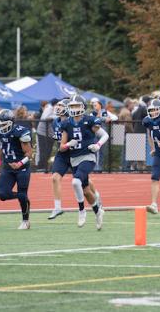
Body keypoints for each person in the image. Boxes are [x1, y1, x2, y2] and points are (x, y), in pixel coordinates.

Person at [60, 94, 107, 229]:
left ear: (83, 107)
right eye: (72, 106)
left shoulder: (89, 120)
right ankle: (98, 211)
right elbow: (61, 148)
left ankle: (81, 211)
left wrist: (97, 145)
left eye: (76, 106)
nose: (74, 109)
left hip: (88, 157)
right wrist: (69, 144)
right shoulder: (66, 123)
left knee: (75, 182)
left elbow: (105, 135)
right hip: (74, 159)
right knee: (86, 191)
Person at [0, 109, 33, 229]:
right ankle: (23, 197)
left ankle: (25, 221)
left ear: (11, 123)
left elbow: (29, 153)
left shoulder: (20, 132)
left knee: (22, 194)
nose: (2, 128)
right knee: (3, 194)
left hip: (22, 167)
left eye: (4, 125)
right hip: (7, 167)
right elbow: (2, 146)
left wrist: (20, 163)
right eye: (0, 125)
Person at [48, 99, 72, 220]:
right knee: (55, 178)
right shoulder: (55, 122)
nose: (58, 107)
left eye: (61, 106)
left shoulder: (72, 121)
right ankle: (57, 208)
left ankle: (97, 199)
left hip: (75, 153)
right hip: (62, 153)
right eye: (57, 105)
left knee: (84, 183)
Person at [90, 97, 118, 172]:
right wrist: (103, 119)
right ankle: (95, 167)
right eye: (93, 104)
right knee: (95, 150)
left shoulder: (105, 112)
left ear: (100, 105)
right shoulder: (92, 113)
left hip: (103, 135)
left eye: (96, 104)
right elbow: (92, 119)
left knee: (102, 151)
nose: (94, 106)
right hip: (95, 134)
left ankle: (100, 168)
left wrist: (109, 119)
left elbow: (115, 117)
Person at [37, 99, 57, 171]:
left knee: (48, 151)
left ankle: (44, 167)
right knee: (44, 151)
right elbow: (44, 118)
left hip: (50, 134)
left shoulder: (54, 110)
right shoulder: (49, 108)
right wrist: (54, 117)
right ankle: (41, 167)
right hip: (43, 132)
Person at [118, 98, 135, 171]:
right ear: (128, 104)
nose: (133, 105)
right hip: (127, 134)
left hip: (122, 133)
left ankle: (123, 167)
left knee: (124, 151)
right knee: (127, 152)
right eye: (132, 104)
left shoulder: (122, 111)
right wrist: (132, 132)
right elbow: (128, 124)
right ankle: (126, 168)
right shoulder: (127, 112)